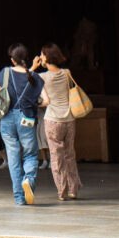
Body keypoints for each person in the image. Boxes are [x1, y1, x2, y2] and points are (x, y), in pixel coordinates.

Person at [0, 45, 43, 205]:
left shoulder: (4, 73)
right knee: (30, 154)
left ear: (12, 60)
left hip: (6, 119)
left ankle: (19, 198)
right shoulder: (35, 77)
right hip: (26, 118)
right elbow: (43, 100)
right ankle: (29, 180)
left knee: (13, 157)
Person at [39, 43, 81, 201]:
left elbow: (24, 78)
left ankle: (62, 191)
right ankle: (73, 189)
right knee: (70, 154)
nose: (40, 57)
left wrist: (33, 66)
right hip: (69, 118)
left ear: (47, 57)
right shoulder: (67, 73)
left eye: (42, 55)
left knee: (56, 156)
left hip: (52, 119)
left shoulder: (42, 77)